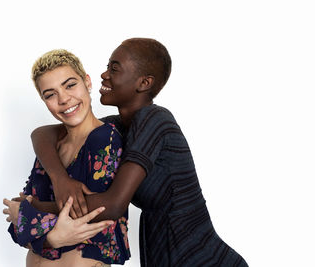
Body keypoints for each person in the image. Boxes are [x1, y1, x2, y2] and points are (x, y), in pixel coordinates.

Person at [31, 38, 248, 266]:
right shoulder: (118, 128)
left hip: (204, 258)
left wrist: (35, 208)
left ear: (144, 83)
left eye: (114, 69)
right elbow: (42, 134)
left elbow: (113, 205)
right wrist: (60, 178)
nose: (104, 75)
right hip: (164, 254)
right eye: (107, 67)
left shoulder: (156, 120)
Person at [2, 49, 130, 266]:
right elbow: (18, 228)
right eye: (50, 94)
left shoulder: (105, 138)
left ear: (87, 82)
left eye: (70, 85)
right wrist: (39, 225)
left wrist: (31, 216)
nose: (63, 99)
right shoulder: (51, 148)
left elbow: (92, 220)